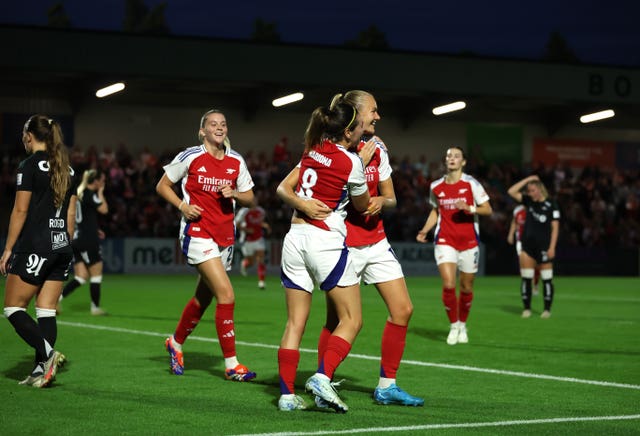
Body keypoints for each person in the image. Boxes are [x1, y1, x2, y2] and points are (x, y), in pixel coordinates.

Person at [278, 90, 423, 407]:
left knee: (403, 310)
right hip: (341, 243)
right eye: (374, 110)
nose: (378, 116)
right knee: (338, 321)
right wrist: (306, 204)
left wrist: (382, 202)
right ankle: (322, 381)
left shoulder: (379, 148)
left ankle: (387, 385)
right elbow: (295, 186)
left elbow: (391, 197)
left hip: (376, 241)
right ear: (355, 117)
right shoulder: (330, 147)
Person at [276, 98, 370, 412]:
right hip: (324, 241)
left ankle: (287, 395)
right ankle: (322, 375)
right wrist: (364, 165)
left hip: (294, 238)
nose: (361, 133)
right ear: (347, 132)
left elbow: (283, 188)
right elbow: (361, 205)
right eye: (358, 128)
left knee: (294, 323)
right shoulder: (351, 161)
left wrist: (302, 204)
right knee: (352, 319)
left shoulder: (311, 149)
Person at [156, 109, 257, 381]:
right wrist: (182, 206)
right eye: (213, 124)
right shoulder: (190, 156)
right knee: (226, 295)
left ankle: (175, 343)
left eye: (223, 123)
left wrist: (235, 192)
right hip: (197, 232)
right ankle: (232, 365)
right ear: (202, 131)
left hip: (225, 235)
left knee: (205, 297)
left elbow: (250, 198)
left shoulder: (236, 160)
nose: (219, 127)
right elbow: (163, 185)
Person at [1, 114, 77, 388]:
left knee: (12, 308)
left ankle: (48, 354)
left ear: (29, 136)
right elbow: (71, 214)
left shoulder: (29, 165)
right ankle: (39, 371)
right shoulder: (68, 169)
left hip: (37, 244)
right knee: (46, 311)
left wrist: (9, 248)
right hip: (61, 245)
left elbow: (21, 210)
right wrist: (64, 245)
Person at [416, 146, 492, 345]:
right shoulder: (436, 186)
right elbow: (435, 211)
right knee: (449, 284)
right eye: (449, 155)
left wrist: (469, 208)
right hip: (445, 240)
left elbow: (488, 209)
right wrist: (425, 230)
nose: (452, 158)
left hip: (468, 242)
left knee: (466, 287)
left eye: (456, 156)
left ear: (463, 162)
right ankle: (454, 325)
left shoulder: (471, 184)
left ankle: (463, 324)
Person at [507, 175, 560, 318]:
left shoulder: (551, 204)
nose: (529, 193)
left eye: (532, 190)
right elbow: (511, 191)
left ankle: (547, 310)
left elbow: (555, 228)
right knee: (526, 278)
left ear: (540, 190)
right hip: (527, 247)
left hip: (544, 247)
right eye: (528, 191)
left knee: (547, 278)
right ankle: (527, 309)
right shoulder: (529, 202)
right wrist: (528, 179)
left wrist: (552, 247)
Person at [58, 169, 109, 315]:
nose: (103, 183)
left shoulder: (79, 194)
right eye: (102, 180)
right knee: (97, 273)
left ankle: (55, 299)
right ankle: (95, 308)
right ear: (96, 181)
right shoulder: (89, 194)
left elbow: (80, 217)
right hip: (88, 240)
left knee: (81, 277)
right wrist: (100, 192)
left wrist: (94, 228)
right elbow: (104, 209)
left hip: (77, 239)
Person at [234, 203, 271, 289]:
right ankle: (245, 264)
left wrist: (265, 225)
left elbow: (258, 222)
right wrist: (246, 230)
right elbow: (237, 224)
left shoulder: (261, 210)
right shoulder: (243, 211)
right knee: (251, 262)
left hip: (259, 238)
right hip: (247, 240)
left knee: (260, 260)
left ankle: (261, 282)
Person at [507, 204, 540, 295]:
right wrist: (510, 234)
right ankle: (527, 286)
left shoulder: (536, 210)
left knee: (536, 265)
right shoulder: (518, 210)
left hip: (534, 242)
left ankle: (535, 283)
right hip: (520, 241)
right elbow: (514, 222)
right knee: (523, 265)